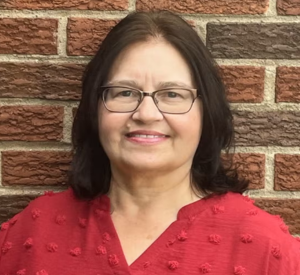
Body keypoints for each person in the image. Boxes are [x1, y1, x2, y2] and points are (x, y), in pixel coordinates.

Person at [0, 10, 299, 275]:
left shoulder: (264, 246)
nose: (146, 113)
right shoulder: (33, 233)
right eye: (124, 92)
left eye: (172, 94)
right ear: (95, 108)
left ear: (207, 113)